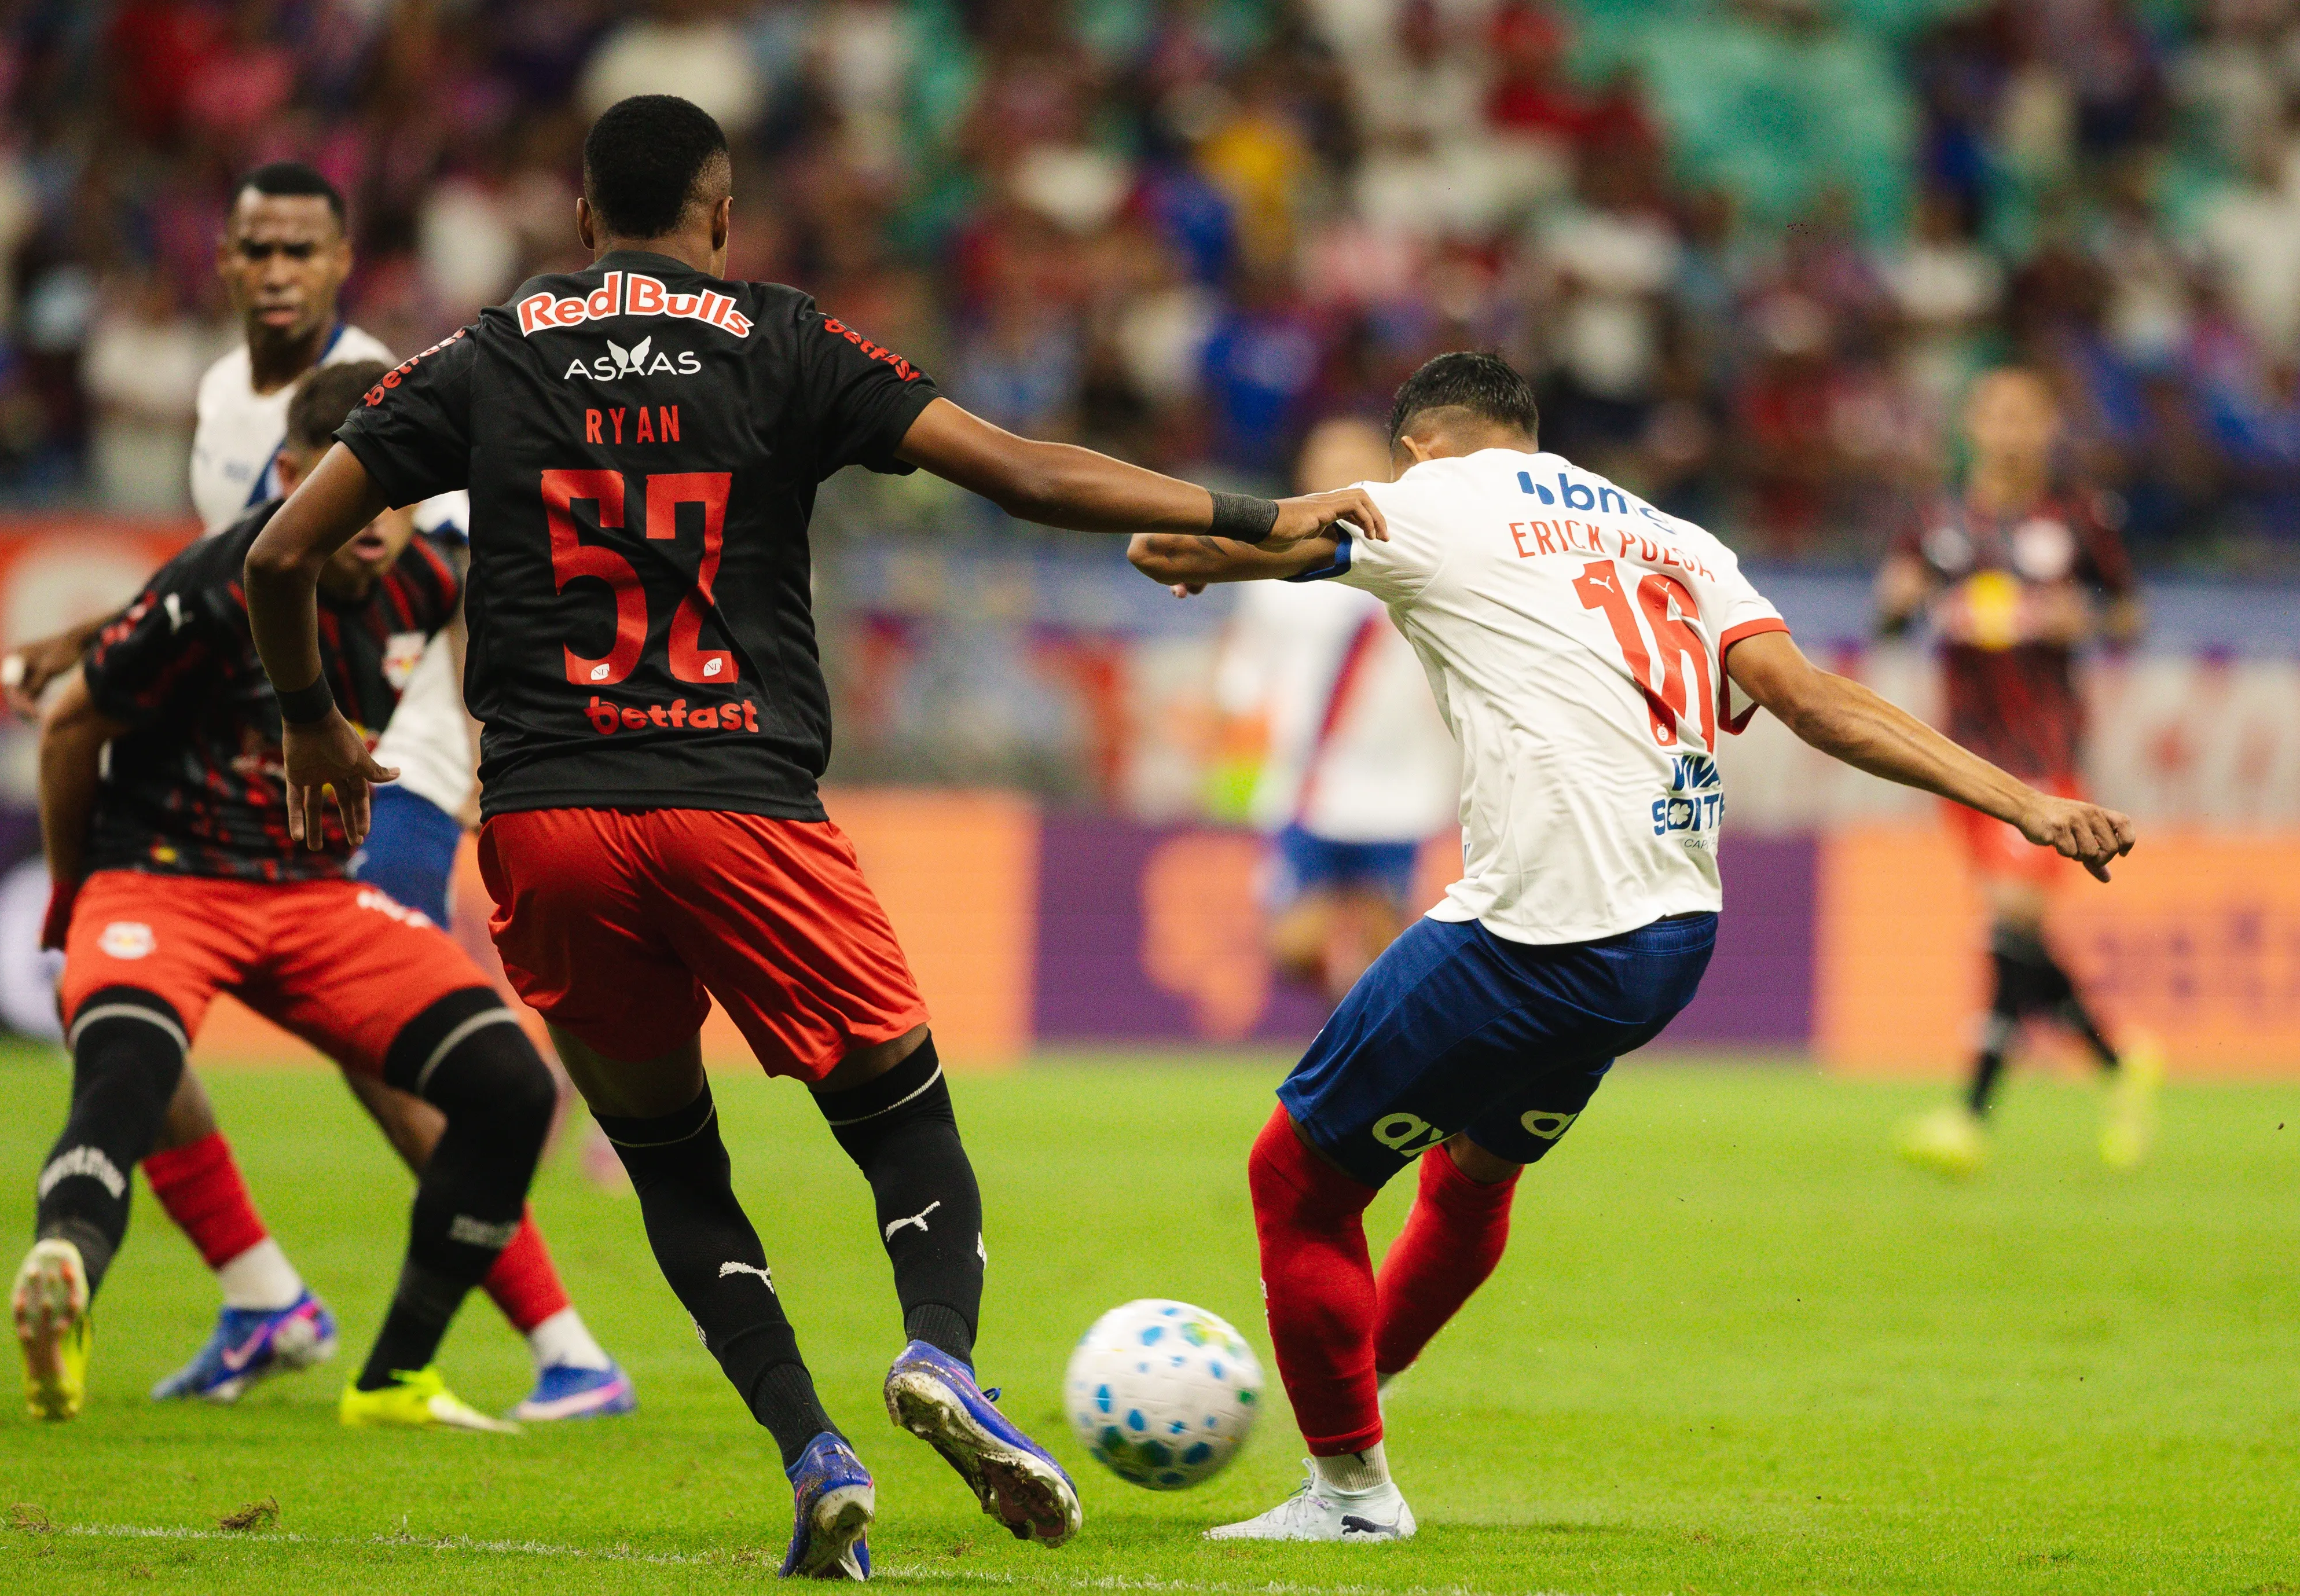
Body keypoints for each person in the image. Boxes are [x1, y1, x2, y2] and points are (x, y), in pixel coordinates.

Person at [240, 94, 1380, 1576]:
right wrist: (1256, 512)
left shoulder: (484, 352)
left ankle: (812, 1451)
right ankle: (939, 1353)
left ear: (582, 219)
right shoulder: (781, 337)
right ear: (722, 217)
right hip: (739, 798)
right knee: (901, 1114)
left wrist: (313, 723)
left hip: (548, 815)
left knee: (667, 1156)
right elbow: (1024, 471)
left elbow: (281, 551)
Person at [1124, 350, 2136, 1542]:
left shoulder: (1440, 497)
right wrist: (2023, 800)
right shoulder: (1673, 536)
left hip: (1539, 930)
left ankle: (1350, 1492)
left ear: (1419, 448)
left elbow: (1246, 536)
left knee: (1295, 1180)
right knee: (1473, 1173)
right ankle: (1356, 1392)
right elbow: (1814, 700)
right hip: (1669, 940)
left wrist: (1200, 549)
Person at [0, 164, 629, 1420]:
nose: (280, 271)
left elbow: (453, 575)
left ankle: (554, 1340)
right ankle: (262, 1293)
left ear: (343, 262)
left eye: (304, 249)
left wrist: (499, 757)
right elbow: (220, 576)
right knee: (130, 1024)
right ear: (226, 263)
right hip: (241, 782)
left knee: (404, 1067)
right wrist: (90, 643)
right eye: (261, 249)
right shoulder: (225, 399)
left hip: (396, 755)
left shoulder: (382, 399)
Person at [1881, 368, 2160, 1176]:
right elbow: (1890, 611)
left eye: (2023, 417)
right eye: (1995, 415)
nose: (2008, 431)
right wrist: (1909, 603)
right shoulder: (1933, 520)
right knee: (2018, 934)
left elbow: (2128, 614)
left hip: (2045, 755)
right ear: (1971, 424)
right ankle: (2118, 1062)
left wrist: (2083, 617)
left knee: (2007, 921)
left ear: (2046, 428)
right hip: (1961, 760)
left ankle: (1968, 1118)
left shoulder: (2078, 517)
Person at [1214, 417, 1457, 1003]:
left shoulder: (1422, 555)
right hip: (1309, 784)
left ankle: (1361, 1032)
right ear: (1307, 471)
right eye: (1330, 460)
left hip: (1399, 788)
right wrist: (1232, 734)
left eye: (1356, 460)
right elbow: (1243, 676)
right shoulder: (1272, 568)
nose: (1342, 472)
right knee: (1290, 946)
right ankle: (1345, 1002)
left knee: (1388, 946)